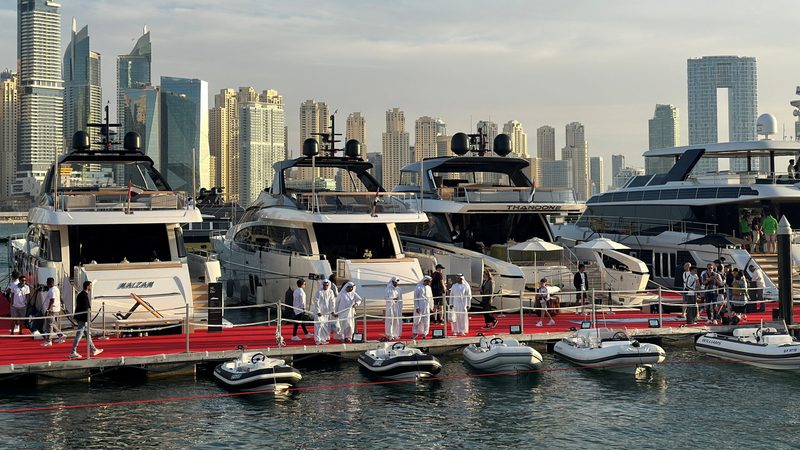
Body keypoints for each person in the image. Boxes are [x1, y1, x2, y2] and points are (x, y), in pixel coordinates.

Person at [69, 281, 103, 359]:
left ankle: (94, 349)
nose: (91, 287)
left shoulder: (82, 294)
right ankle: (73, 352)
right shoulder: (84, 295)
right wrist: (88, 320)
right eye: (90, 285)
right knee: (79, 335)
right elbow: (85, 309)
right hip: (83, 319)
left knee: (88, 335)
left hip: (81, 318)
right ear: (87, 286)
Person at [41, 277, 65, 346]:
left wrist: (48, 309)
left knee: (49, 326)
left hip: (52, 310)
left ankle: (49, 340)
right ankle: (61, 335)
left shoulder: (51, 290)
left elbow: (52, 300)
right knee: (52, 324)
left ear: (48, 283)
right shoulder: (56, 289)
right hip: (56, 309)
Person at [311, 279, 336, 345]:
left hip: (327, 312)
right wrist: (318, 311)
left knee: (325, 326)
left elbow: (332, 301)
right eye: (324, 285)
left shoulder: (330, 292)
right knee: (318, 326)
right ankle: (317, 340)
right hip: (319, 313)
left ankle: (323, 339)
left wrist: (333, 311)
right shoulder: (319, 292)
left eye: (327, 285)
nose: (325, 286)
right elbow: (316, 302)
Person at [384, 276, 402, 340]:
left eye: (397, 282)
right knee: (390, 320)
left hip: (397, 307)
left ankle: (396, 334)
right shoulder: (388, 289)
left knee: (396, 320)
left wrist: (400, 307)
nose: (396, 283)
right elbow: (386, 298)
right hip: (390, 307)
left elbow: (400, 299)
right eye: (395, 282)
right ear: (392, 282)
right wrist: (392, 299)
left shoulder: (399, 289)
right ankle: (390, 334)